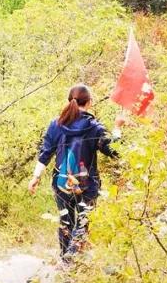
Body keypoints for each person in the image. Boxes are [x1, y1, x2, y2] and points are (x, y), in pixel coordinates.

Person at [28, 84, 123, 259]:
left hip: (61, 183)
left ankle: (66, 260)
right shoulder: (95, 127)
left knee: (66, 222)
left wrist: (36, 177)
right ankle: (70, 264)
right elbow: (115, 151)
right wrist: (117, 127)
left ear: (69, 101)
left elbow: (46, 152)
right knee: (83, 223)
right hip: (87, 185)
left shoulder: (56, 125)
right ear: (89, 102)